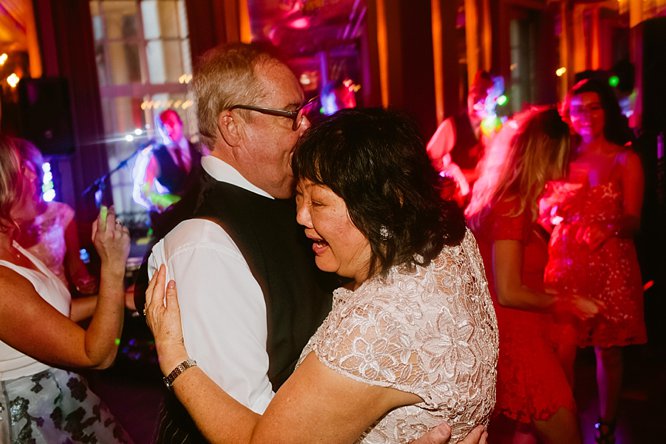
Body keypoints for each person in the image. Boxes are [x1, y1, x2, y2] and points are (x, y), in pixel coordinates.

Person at [143, 42, 489, 444]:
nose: (305, 125)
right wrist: (175, 362)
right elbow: (252, 422)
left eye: (318, 201)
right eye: (292, 114)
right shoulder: (203, 245)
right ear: (233, 126)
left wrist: (175, 360)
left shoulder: (384, 279)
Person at [466, 108, 601, 443]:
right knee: (565, 431)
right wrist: (567, 301)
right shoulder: (511, 206)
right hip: (518, 340)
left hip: (523, 332)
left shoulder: (516, 201)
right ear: (547, 151)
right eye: (566, 150)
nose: (571, 157)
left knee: (526, 433)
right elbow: (509, 291)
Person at [0, 135, 132, 443]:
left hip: (64, 399)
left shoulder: (14, 247)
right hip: (34, 419)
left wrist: (120, 300)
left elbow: (55, 316)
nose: (35, 177)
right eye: (23, 169)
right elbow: (97, 355)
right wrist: (112, 266)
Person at [540, 78, 646, 443]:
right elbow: (543, 210)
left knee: (608, 351)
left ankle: (606, 424)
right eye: (578, 109)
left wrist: (610, 227)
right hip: (566, 260)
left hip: (608, 262)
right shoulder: (560, 157)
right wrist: (550, 211)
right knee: (562, 347)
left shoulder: (625, 158)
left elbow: (634, 219)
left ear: (607, 111)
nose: (585, 116)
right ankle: (562, 419)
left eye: (594, 107)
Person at [11, 138, 101, 322]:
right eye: (23, 170)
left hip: (65, 309)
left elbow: (76, 266)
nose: (32, 177)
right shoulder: (7, 229)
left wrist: (86, 281)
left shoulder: (62, 213)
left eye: (33, 169)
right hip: (25, 315)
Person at [426, 70, 498, 203]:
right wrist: (453, 174)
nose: (477, 97)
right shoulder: (451, 126)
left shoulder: (492, 130)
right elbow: (427, 161)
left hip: (483, 204)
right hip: (458, 205)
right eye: (474, 91)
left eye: (484, 92)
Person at [132, 108, 202, 215]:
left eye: (171, 123)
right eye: (162, 126)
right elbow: (141, 193)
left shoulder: (200, 150)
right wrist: (159, 202)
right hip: (173, 219)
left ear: (180, 123)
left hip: (202, 216)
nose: (167, 128)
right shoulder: (154, 156)